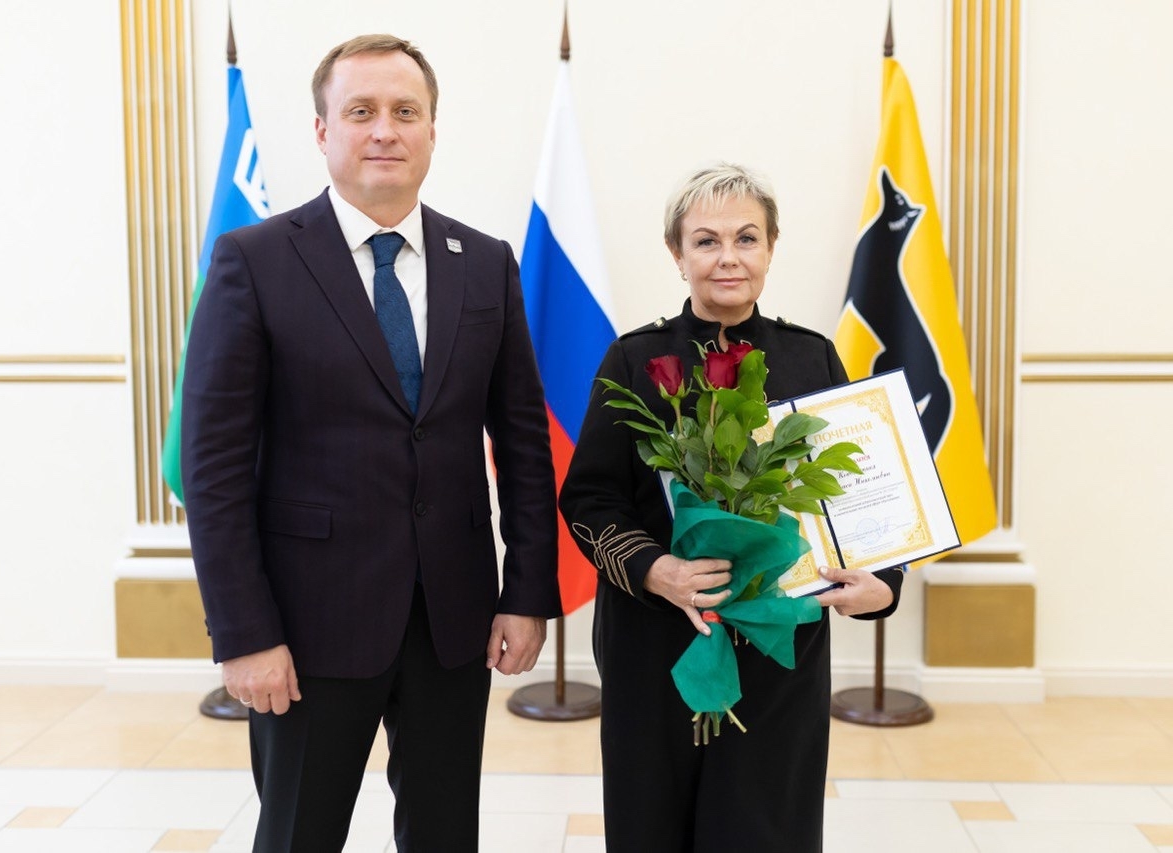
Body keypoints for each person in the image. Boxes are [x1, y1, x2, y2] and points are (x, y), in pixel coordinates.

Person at [180, 34, 560, 852]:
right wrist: (244, 632)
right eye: (361, 111)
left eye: (405, 111)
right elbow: (212, 470)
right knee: (299, 834)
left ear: (432, 130)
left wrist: (527, 592)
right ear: (323, 131)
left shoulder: (484, 263)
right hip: (307, 625)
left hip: (453, 621)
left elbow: (525, 445)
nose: (385, 129)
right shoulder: (254, 260)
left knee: (445, 834)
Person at [559, 163, 905, 852]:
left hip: (780, 656)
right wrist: (656, 569)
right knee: (651, 828)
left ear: (771, 248)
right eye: (706, 241)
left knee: (766, 829)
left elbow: (860, 491)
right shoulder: (634, 361)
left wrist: (884, 585)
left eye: (746, 238)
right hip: (655, 646)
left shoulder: (813, 359)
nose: (728, 257)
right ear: (677, 253)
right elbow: (589, 498)